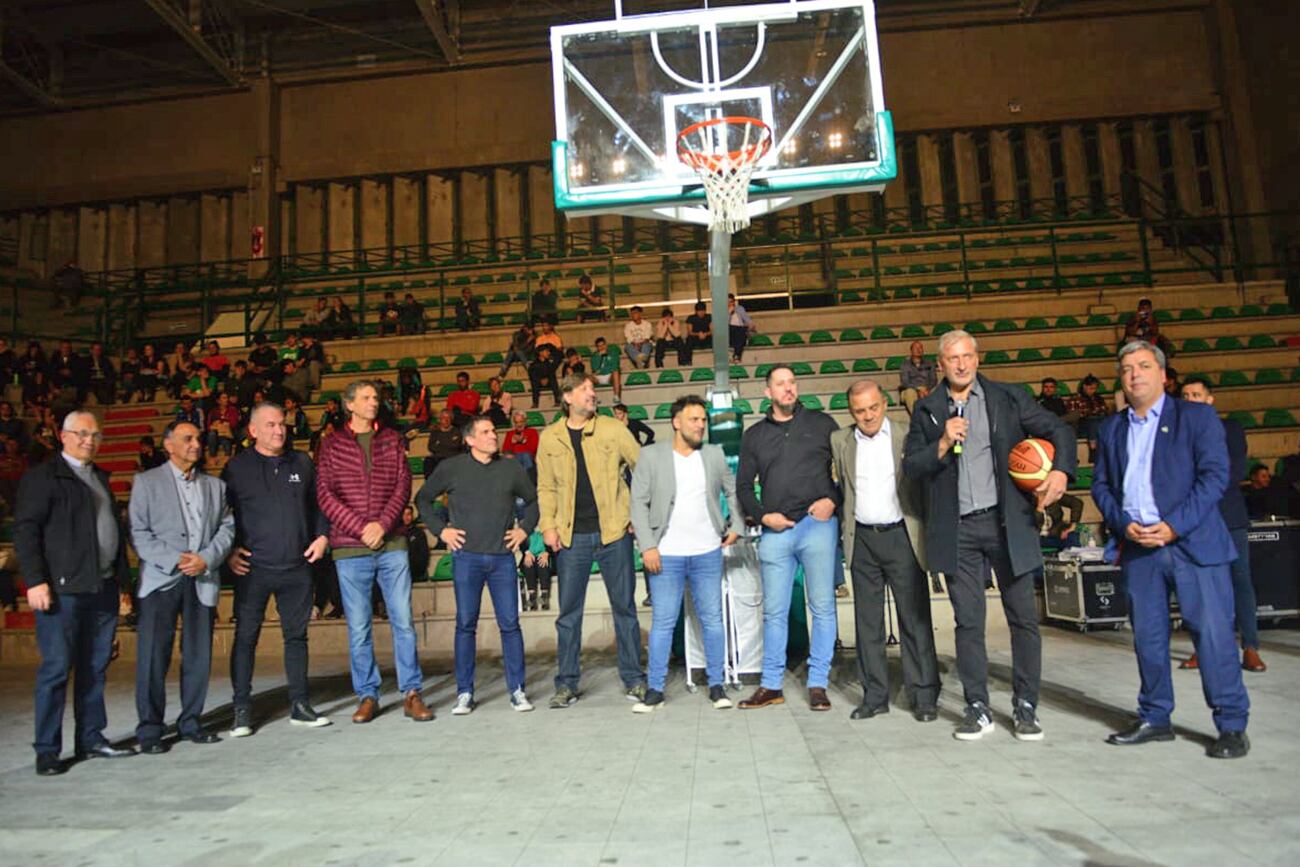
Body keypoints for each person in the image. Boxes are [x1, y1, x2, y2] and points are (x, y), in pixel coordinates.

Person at [902, 329, 1074, 741]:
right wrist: (943, 442)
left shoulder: (1008, 398)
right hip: (958, 529)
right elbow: (912, 466)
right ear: (939, 365)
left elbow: (1060, 430)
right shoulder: (927, 410)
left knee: (1023, 620)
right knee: (968, 623)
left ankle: (1025, 704)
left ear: (977, 359)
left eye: (967, 356)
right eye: (952, 358)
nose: (961, 364)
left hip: (1006, 523)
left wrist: (1063, 471)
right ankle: (977, 706)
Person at [1092, 342, 1250, 759]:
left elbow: (1215, 477)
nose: (1134, 375)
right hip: (1140, 549)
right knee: (1148, 639)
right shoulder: (1111, 429)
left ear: (1164, 375)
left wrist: (1174, 525)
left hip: (1192, 546)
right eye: (1126, 369)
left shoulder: (1195, 418)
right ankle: (1155, 717)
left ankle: (1232, 725)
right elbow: (1102, 487)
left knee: (1213, 637)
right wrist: (1123, 524)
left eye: (1143, 366)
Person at [15, 410, 136, 775]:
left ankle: (91, 738)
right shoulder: (43, 478)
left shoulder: (99, 477)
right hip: (61, 591)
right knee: (55, 670)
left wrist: (122, 587)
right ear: (63, 436)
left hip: (100, 587)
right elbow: (26, 532)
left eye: (96, 435)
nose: (90, 441)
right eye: (82, 434)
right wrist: (35, 581)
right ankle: (47, 750)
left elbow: (112, 537)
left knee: (95, 668)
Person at [315, 380, 433, 723]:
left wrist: (382, 524)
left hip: (391, 542)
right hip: (350, 548)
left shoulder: (392, 439)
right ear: (349, 404)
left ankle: (412, 693)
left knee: (403, 622)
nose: (373, 402)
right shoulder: (332, 444)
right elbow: (325, 495)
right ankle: (368, 695)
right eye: (366, 398)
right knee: (359, 627)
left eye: (376, 397)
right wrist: (360, 528)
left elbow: (402, 484)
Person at [831, 380, 940, 723]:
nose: (868, 416)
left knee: (914, 620)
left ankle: (923, 696)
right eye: (860, 410)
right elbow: (843, 489)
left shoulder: (908, 435)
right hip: (862, 539)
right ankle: (875, 696)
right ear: (851, 412)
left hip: (902, 535)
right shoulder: (840, 441)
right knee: (868, 624)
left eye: (873, 407)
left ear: (885, 404)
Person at [222, 402, 332, 737]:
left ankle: (300, 705)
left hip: (297, 566)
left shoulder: (301, 462)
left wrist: (323, 535)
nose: (279, 430)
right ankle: (242, 709)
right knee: (246, 638)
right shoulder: (236, 468)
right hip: (253, 569)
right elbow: (222, 515)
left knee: (296, 637)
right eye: (270, 425)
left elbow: (319, 505)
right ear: (253, 430)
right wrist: (228, 552)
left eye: (281, 424)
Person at [734, 365, 841, 712]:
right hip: (776, 530)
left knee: (822, 607)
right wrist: (764, 516)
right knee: (774, 613)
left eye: (792, 382)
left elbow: (846, 471)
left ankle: (818, 684)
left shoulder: (823, 424)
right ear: (768, 392)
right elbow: (743, 487)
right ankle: (771, 685)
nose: (788, 388)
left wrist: (833, 500)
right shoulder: (754, 436)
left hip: (817, 525)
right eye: (780, 384)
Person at [629, 395, 744, 713]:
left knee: (712, 620)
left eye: (703, 420)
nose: (701, 425)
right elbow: (637, 502)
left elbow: (732, 491)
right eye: (694, 419)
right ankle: (655, 689)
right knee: (664, 622)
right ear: (676, 422)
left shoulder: (714, 454)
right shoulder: (651, 456)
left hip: (707, 550)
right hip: (666, 554)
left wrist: (736, 523)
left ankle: (717, 684)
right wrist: (648, 545)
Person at [418, 414, 539, 714]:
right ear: (470, 439)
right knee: (465, 625)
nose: (493, 435)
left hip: (502, 559)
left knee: (510, 625)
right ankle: (465, 693)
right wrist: (441, 529)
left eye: (494, 430)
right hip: (466, 558)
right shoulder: (451, 468)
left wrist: (524, 529)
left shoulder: (511, 467)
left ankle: (517, 690)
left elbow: (534, 502)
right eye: (485, 432)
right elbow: (423, 500)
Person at [536, 373, 643, 708]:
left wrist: (637, 515)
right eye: (584, 390)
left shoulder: (613, 428)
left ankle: (634, 679)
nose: (591, 394)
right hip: (571, 538)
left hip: (613, 533)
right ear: (566, 397)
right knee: (569, 613)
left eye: (592, 389)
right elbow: (546, 487)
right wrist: (548, 526)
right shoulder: (550, 438)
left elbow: (644, 469)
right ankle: (567, 684)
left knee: (624, 608)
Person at [129, 420, 235, 751]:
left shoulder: (215, 487)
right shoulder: (146, 482)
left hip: (202, 579)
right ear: (169, 445)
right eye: (187, 439)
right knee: (152, 656)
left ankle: (191, 722)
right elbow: (138, 532)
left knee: (198, 656)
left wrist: (206, 558)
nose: (196, 444)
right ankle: (149, 729)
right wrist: (177, 559)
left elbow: (227, 527)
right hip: (161, 580)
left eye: (198, 439)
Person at [1178, 377, 1265, 673]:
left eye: (1197, 394)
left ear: (1210, 399)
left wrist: (1200, 492)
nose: (1191, 399)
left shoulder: (1230, 429)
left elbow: (1234, 471)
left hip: (1228, 515)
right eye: (1186, 395)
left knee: (1240, 581)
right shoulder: (1175, 434)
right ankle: (1203, 649)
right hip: (1193, 521)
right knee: (1200, 588)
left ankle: (1250, 647)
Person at [1069, 374, 1110, 461]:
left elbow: (1105, 411)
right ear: (1084, 386)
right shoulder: (1075, 399)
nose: (1093, 391)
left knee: (1101, 420)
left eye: (1094, 389)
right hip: (1081, 426)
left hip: (1098, 423)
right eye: (1091, 388)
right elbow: (1073, 416)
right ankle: (1093, 449)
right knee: (1092, 421)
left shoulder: (1098, 399)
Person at [898, 340, 937, 415]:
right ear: (911, 351)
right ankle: (917, 417)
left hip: (927, 388)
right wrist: (918, 389)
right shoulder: (905, 365)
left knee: (937, 391)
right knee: (910, 392)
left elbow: (934, 380)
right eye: (916, 348)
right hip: (911, 389)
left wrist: (927, 389)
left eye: (920, 348)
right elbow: (905, 382)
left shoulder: (930, 364)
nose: (918, 350)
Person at [424, 409, 464, 479]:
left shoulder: (456, 431)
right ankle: (430, 485)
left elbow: (455, 446)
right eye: (443, 418)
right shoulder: (435, 432)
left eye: (448, 418)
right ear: (440, 419)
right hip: (438, 457)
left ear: (451, 419)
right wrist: (448, 442)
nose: (446, 420)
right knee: (428, 461)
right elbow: (431, 447)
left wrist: (440, 443)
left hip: (452, 457)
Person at [519, 529, 553, 610]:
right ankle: (532, 596)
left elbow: (552, 544)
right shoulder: (526, 529)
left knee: (542, 564)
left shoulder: (547, 529)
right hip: (531, 556)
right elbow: (522, 545)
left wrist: (547, 553)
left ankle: (544, 596)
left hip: (545, 556)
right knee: (528, 564)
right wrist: (527, 553)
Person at [529, 340, 562, 409]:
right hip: (538, 383)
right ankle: (535, 403)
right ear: (541, 353)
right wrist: (540, 379)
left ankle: (557, 401)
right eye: (546, 351)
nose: (549, 353)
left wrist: (551, 346)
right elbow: (532, 376)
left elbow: (560, 356)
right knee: (534, 382)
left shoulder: (550, 363)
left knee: (553, 378)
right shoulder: (533, 365)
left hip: (549, 381)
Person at [589, 336, 623, 402]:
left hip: (609, 376)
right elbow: (595, 369)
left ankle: (616, 396)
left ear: (606, 345)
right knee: (589, 378)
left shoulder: (613, 353)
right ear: (597, 347)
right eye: (599, 346)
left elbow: (615, 366)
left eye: (603, 345)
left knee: (616, 372)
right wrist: (600, 357)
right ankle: (594, 398)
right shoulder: (594, 356)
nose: (602, 347)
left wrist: (603, 370)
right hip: (598, 378)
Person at [207, 392, 240, 457]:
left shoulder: (232, 409)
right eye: (224, 398)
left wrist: (220, 423)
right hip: (216, 435)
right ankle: (212, 457)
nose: (227, 400)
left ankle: (227, 461)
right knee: (211, 434)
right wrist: (219, 425)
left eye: (227, 398)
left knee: (225, 439)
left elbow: (234, 424)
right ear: (218, 401)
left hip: (228, 433)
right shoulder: (213, 411)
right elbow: (208, 426)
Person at [726, 294, 756, 362]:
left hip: (740, 332)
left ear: (734, 302)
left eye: (731, 302)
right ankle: (737, 356)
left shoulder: (740, 309)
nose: (729, 304)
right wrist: (729, 313)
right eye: (727, 302)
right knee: (739, 330)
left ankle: (736, 356)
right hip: (729, 333)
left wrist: (751, 325)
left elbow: (747, 319)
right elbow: (723, 325)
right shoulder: (722, 311)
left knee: (741, 331)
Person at [403, 505, 430, 581]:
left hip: (416, 572)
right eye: (404, 514)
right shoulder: (395, 533)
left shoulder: (419, 533)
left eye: (409, 514)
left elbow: (424, 554)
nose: (406, 517)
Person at [623, 306, 654, 370]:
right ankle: (642, 362)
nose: (633, 315)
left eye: (635, 313)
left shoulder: (647, 324)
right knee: (627, 346)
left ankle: (640, 361)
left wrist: (639, 345)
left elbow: (647, 338)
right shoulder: (628, 326)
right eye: (632, 313)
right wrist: (635, 344)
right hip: (633, 345)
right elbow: (629, 338)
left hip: (644, 343)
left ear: (640, 314)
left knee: (647, 345)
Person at [683, 301, 711, 367]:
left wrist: (705, 334)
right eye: (699, 311)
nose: (701, 313)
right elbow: (690, 332)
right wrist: (698, 334)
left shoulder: (709, 317)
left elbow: (712, 330)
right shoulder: (691, 318)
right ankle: (688, 361)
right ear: (696, 311)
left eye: (703, 311)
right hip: (695, 338)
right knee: (689, 339)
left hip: (707, 337)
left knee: (717, 338)